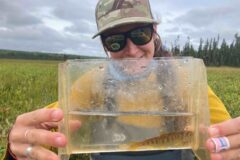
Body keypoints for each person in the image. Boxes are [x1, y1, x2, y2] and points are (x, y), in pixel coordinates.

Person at [2, 0, 240, 160]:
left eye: (140, 34)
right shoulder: (90, 83)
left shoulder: (186, 79)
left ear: (154, 33)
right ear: (105, 46)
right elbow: (45, 136)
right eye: (115, 40)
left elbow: (224, 144)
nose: (132, 50)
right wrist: (16, 149)